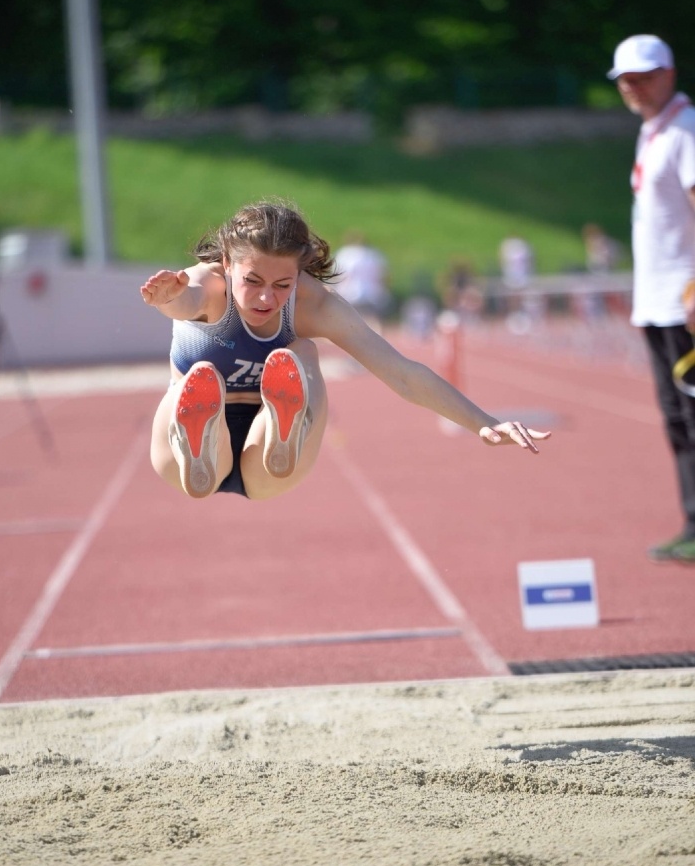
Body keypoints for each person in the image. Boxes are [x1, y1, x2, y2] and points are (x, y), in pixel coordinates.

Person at [140, 201, 550, 501]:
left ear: (299, 274)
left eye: (283, 284)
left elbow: (402, 373)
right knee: (198, 380)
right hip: (181, 453)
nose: (267, 297)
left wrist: (482, 422)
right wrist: (166, 299)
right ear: (227, 263)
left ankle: (283, 429)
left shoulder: (315, 304)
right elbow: (186, 300)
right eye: (253, 280)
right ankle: (201, 442)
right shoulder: (204, 284)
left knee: (302, 352)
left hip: (269, 460)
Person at [608, 34, 695, 563]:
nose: (636, 87)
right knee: (679, 420)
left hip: (684, 300)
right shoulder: (654, 132)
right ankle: (692, 521)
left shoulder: (686, 130)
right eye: (626, 80)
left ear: (670, 72)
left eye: (645, 76)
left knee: (692, 417)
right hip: (658, 303)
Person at [332, 231, 391, 329]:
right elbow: (383, 274)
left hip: (349, 291)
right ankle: (377, 335)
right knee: (373, 318)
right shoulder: (373, 254)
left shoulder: (344, 253)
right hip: (371, 291)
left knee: (345, 316)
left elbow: (338, 274)